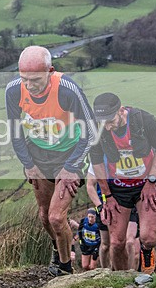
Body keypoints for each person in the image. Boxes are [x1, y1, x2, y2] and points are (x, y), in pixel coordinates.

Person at [5, 46, 97, 276]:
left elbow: (91, 132)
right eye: (24, 79)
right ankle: (59, 247)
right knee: (45, 217)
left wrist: (72, 167)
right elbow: (15, 132)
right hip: (38, 156)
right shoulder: (14, 90)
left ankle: (65, 269)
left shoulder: (67, 90)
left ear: (50, 71)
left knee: (57, 217)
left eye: (35, 80)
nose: (29, 85)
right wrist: (28, 164)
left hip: (69, 155)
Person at [90, 93, 156, 274]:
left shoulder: (144, 120)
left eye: (110, 121)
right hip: (118, 188)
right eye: (103, 122)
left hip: (145, 184)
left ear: (121, 110)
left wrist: (151, 181)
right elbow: (97, 163)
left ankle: (147, 259)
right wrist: (107, 195)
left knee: (148, 238)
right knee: (116, 243)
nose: (107, 127)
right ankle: (122, 279)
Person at [85, 165, 111, 269]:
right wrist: (99, 207)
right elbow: (89, 185)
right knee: (105, 245)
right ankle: (105, 270)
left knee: (120, 242)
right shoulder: (97, 161)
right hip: (103, 206)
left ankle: (120, 270)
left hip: (122, 203)